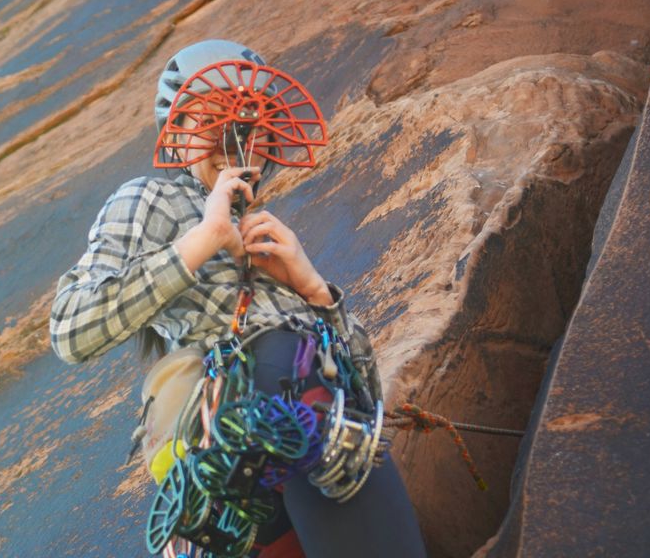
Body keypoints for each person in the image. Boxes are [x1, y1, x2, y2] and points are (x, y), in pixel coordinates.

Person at [51, 40, 425, 557]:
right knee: (284, 365)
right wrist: (201, 241)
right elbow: (71, 328)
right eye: (219, 122)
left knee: (326, 408)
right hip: (237, 426)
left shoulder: (267, 234)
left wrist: (314, 290)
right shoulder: (151, 199)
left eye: (250, 125)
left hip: (300, 425)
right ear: (179, 134)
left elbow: (366, 403)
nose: (237, 137)